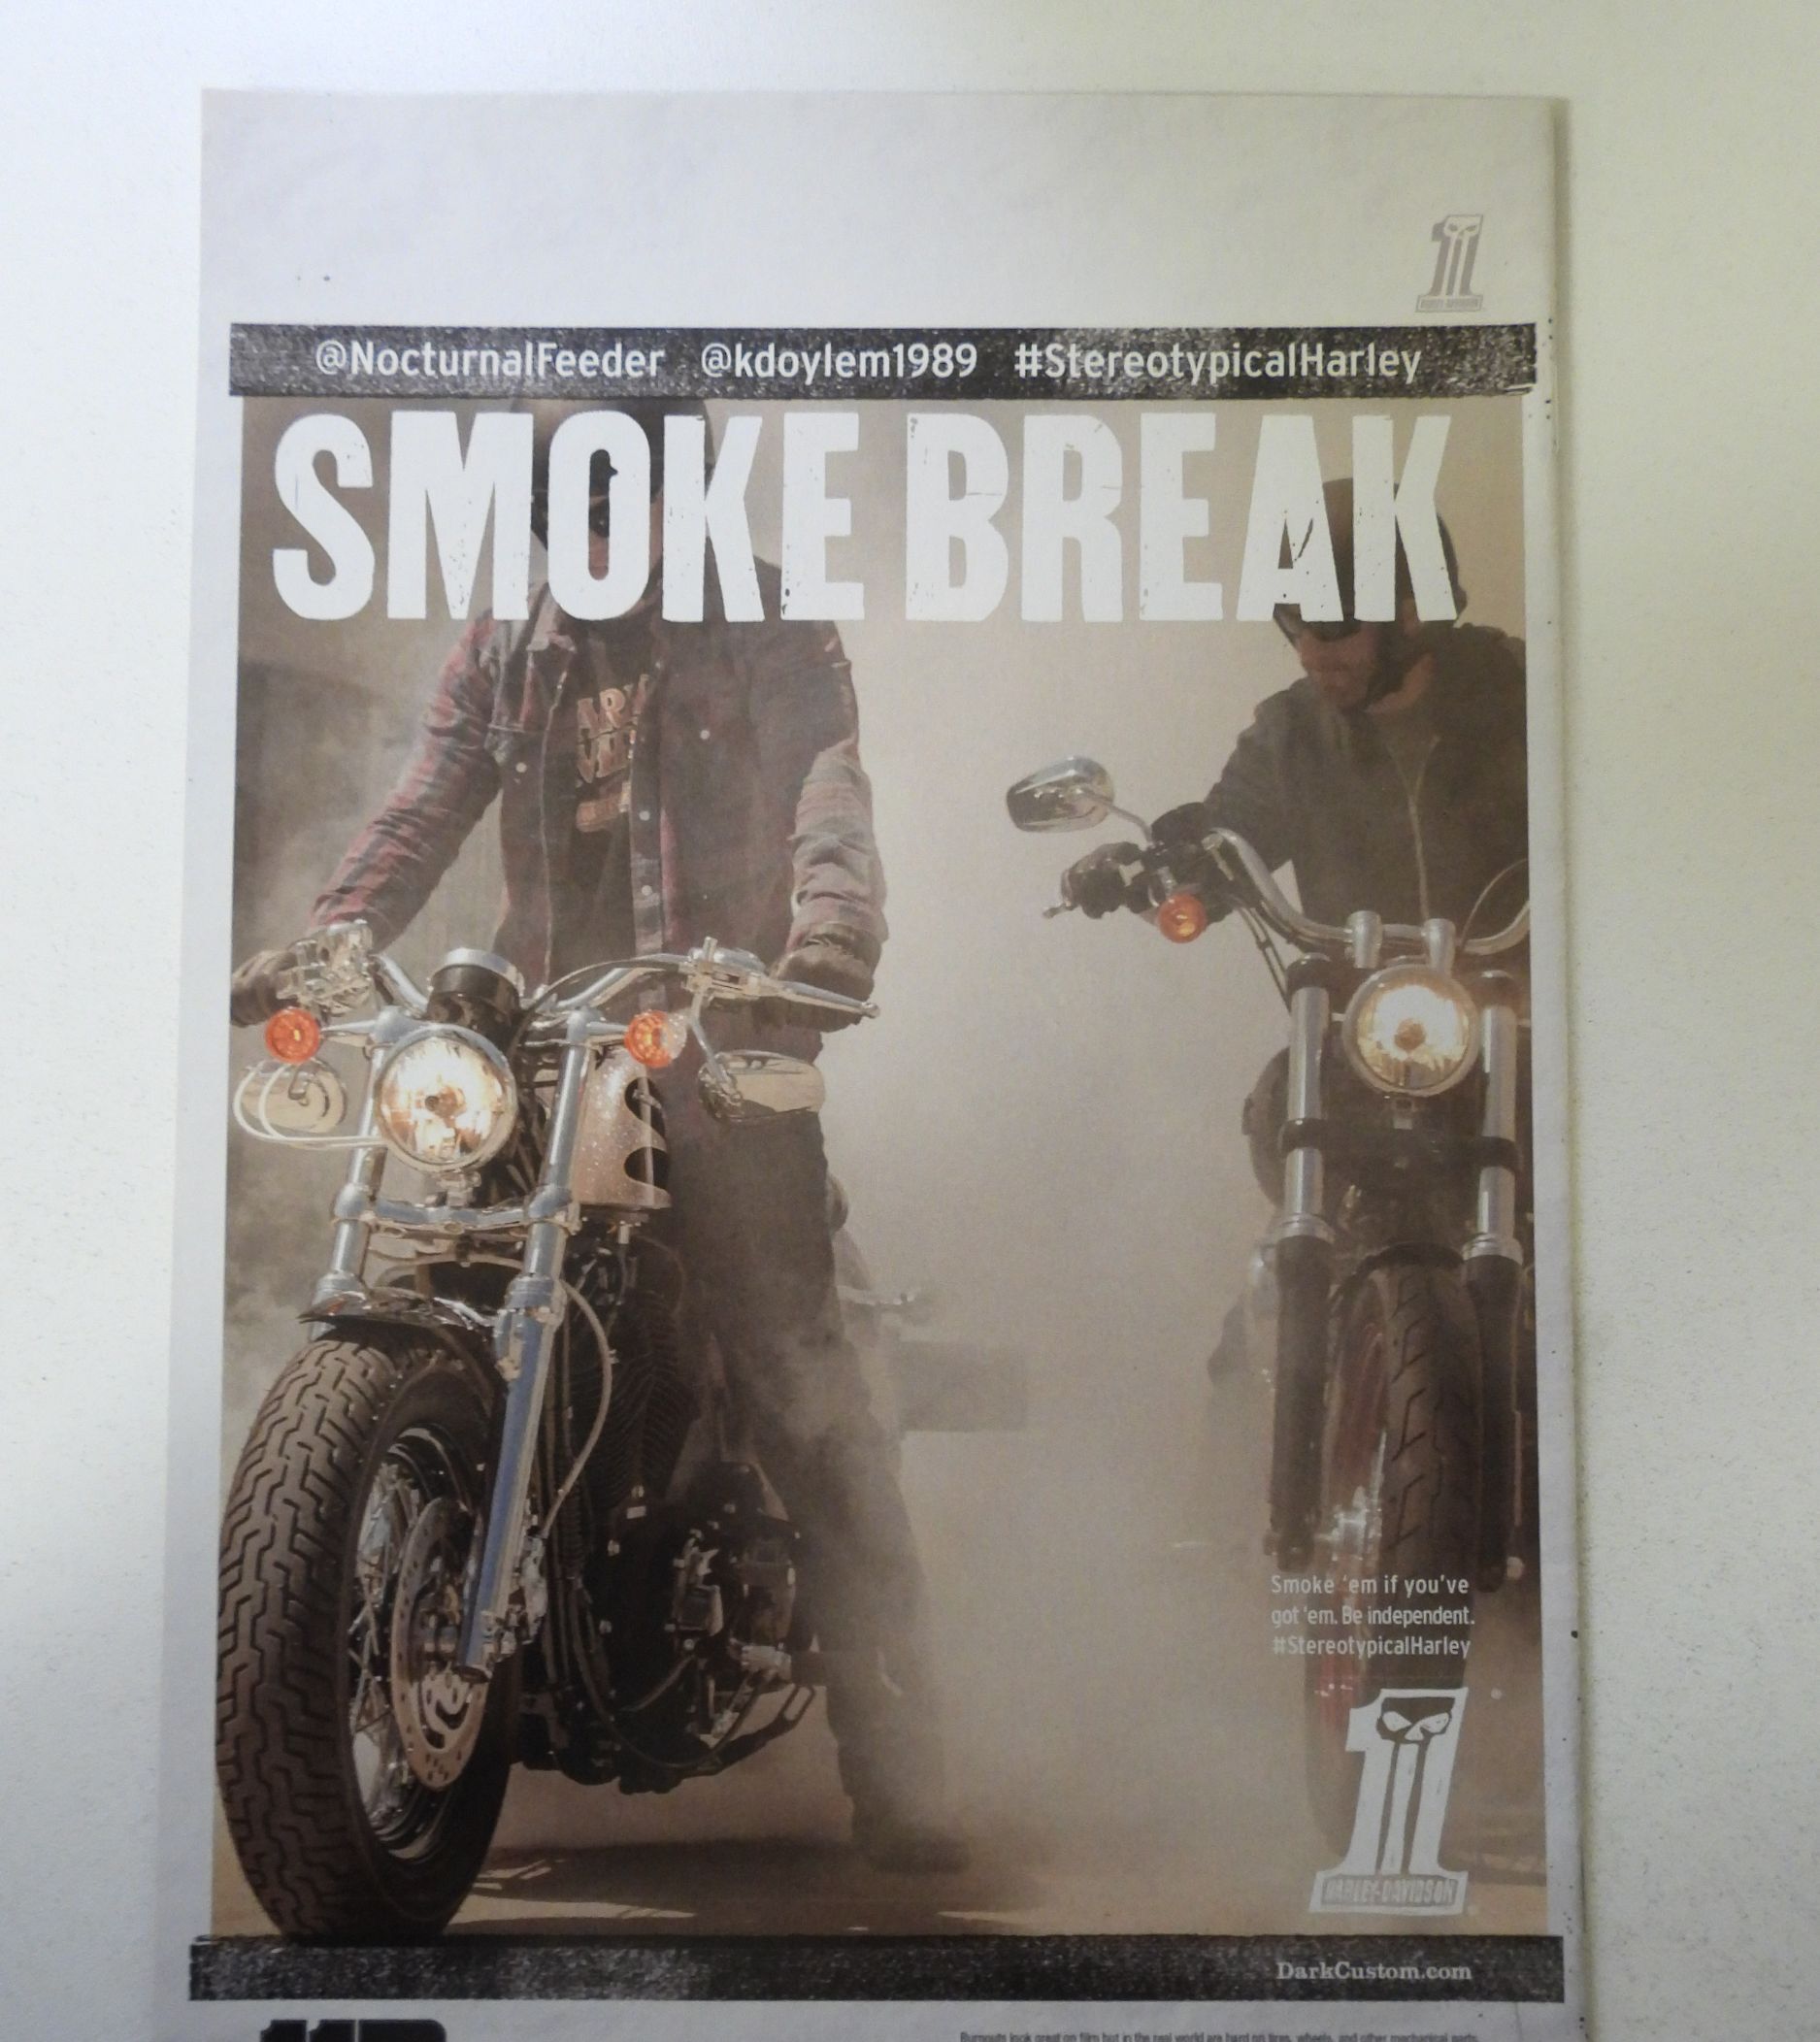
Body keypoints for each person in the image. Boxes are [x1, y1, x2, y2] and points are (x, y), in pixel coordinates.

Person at [231, 399, 964, 1873]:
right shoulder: (511, 644)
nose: (595, 537)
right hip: (542, 1043)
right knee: (442, 1261)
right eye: (570, 510)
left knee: (798, 1383)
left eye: (623, 506)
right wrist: (332, 936)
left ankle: (899, 1749)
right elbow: (424, 804)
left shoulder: (765, 622)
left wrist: (829, 934)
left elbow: (825, 782)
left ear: (682, 503)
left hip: (716, 1038)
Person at [1063, 477, 1528, 1208]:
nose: (1310, 652)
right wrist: (1163, 867)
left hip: (1518, 1022)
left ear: (1412, 615)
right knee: (1283, 1104)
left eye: (1332, 626)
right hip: (1361, 1036)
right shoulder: (1291, 734)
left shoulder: (1523, 695)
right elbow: (1233, 826)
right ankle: (1301, 1263)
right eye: (1293, 625)